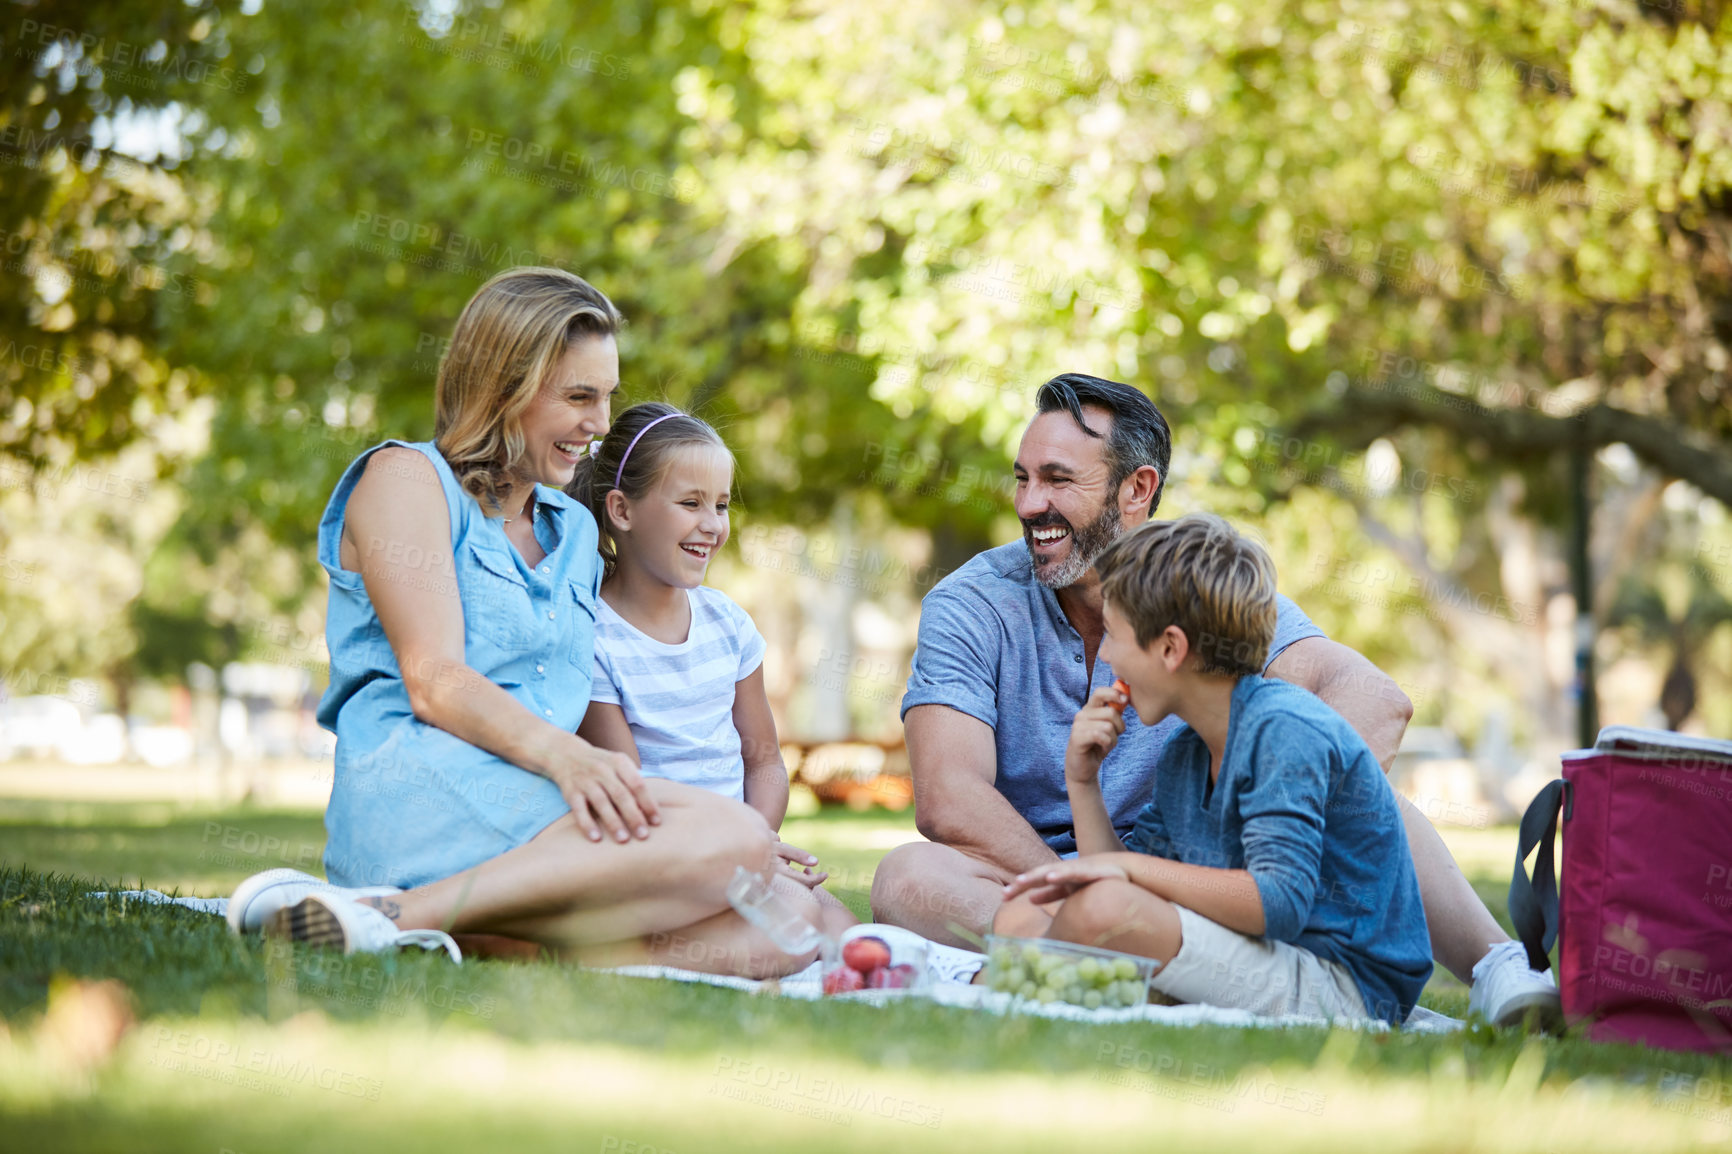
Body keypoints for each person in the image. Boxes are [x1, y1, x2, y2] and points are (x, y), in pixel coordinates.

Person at [871, 372, 1560, 1026]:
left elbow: (1376, 700)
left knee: (1352, 779)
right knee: (906, 878)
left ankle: (1497, 965)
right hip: (1043, 867)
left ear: (1137, 489)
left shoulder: (1197, 586)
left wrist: (1266, 796)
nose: (1028, 505)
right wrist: (1086, 884)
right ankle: (1116, 963)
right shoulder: (971, 603)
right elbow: (947, 796)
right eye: (1022, 479)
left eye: (1057, 480)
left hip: (1225, 864)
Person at [228, 268, 823, 978]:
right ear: (504, 384)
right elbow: (435, 680)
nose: (600, 424)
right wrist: (571, 761)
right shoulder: (407, 480)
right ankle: (392, 914)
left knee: (790, 928)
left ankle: (480, 938)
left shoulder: (572, 530)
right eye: (578, 396)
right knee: (737, 843)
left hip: (547, 816)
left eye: (606, 398)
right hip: (429, 794)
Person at [1001, 513, 1433, 1024]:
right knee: (1018, 915)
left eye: (1114, 635)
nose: (1107, 655)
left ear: (1170, 648)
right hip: (1260, 954)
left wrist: (1126, 870)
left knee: (1102, 913)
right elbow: (1119, 877)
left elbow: (1279, 902)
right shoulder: (1186, 750)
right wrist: (1083, 781)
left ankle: (1039, 991)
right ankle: (1071, 988)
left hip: (1344, 983)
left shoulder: (1284, 730)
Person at [569, 401, 855, 938]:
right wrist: (731, 852)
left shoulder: (729, 625)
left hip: (740, 850)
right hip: (660, 857)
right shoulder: (595, 639)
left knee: (847, 928)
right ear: (622, 511)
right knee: (800, 921)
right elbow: (632, 793)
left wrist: (758, 840)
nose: (712, 525)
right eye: (690, 503)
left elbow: (764, 758)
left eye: (721, 505)